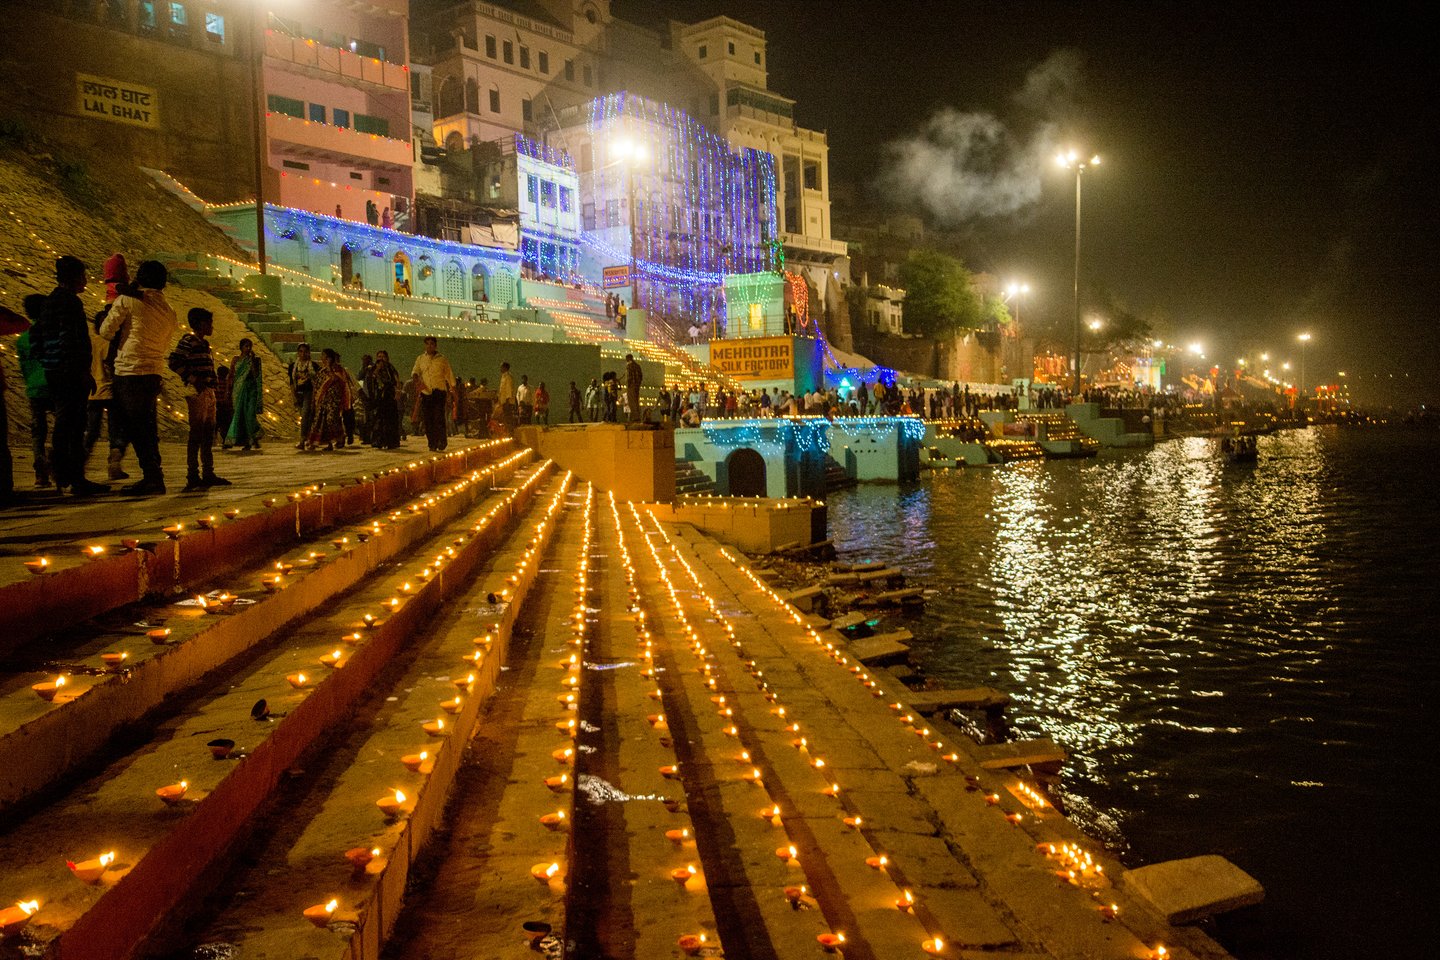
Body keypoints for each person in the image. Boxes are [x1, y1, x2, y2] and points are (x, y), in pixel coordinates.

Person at [99, 259, 177, 495]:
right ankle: (154, 474)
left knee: (136, 426)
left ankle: (152, 477)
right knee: (147, 425)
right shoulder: (169, 311)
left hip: (129, 371)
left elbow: (105, 330)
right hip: (153, 372)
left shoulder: (128, 301)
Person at [34, 257, 110, 496]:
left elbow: (39, 339)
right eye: (83, 276)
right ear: (74, 277)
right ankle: (74, 477)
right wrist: (80, 372)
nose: (86, 281)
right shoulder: (70, 303)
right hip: (70, 374)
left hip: (55, 372)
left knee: (64, 423)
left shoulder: (49, 302)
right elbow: (70, 340)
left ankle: (63, 474)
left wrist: (50, 364)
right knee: (74, 425)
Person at [168, 307, 229, 491]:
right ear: (201, 324)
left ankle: (208, 472)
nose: (211, 326)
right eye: (209, 323)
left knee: (208, 433)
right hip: (198, 393)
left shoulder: (203, 344)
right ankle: (193, 475)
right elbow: (174, 362)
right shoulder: (189, 341)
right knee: (197, 434)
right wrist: (194, 380)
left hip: (208, 392)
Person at [86, 253, 131, 480]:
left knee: (91, 430)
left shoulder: (91, 338)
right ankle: (114, 462)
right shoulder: (123, 296)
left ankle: (79, 464)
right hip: (113, 385)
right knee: (117, 428)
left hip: (92, 391)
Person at [16, 295, 52, 488]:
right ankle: (58, 463)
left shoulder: (22, 340)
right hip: (54, 386)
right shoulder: (50, 335)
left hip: (34, 389)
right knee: (66, 427)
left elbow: (24, 368)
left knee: (38, 433)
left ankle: (41, 473)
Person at [411, 336, 455, 451]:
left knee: (439, 417)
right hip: (426, 392)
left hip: (439, 391)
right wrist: (416, 380)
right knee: (428, 419)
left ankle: (442, 441)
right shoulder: (420, 359)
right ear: (425, 345)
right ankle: (432, 443)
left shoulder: (442, 359)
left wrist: (452, 391)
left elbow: (449, 375)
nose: (429, 346)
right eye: (427, 344)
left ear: (435, 346)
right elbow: (415, 372)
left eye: (432, 344)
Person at [305, 348, 350, 451]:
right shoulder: (322, 370)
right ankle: (325, 444)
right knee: (320, 422)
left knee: (331, 420)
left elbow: (340, 381)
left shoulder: (338, 369)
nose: (323, 359)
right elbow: (317, 385)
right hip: (322, 400)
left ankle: (340, 438)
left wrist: (330, 369)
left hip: (334, 400)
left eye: (324, 357)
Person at [227, 338, 263, 450]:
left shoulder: (253, 360)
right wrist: (228, 390)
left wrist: (252, 361)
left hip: (250, 389)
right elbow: (231, 375)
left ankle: (252, 438)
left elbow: (256, 374)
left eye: (250, 346)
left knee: (250, 415)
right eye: (246, 346)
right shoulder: (236, 359)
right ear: (241, 347)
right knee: (240, 415)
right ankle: (249, 439)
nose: (248, 349)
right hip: (238, 390)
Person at [288, 343, 320, 449]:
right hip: (298, 393)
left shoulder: (313, 366)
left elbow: (317, 381)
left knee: (306, 415)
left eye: (305, 352)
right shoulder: (293, 366)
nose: (303, 354)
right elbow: (291, 383)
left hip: (309, 393)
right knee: (305, 416)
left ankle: (303, 439)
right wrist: (294, 396)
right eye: (301, 351)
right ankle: (308, 438)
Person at [368, 349, 401, 449]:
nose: (381, 359)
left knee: (390, 420)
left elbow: (396, 380)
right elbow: (370, 381)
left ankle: (391, 441)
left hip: (389, 397)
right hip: (379, 398)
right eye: (379, 357)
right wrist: (377, 370)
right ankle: (378, 441)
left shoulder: (390, 368)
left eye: (383, 356)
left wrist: (397, 392)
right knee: (379, 420)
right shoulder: (373, 368)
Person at [215, 366, 233, 449]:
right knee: (226, 425)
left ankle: (213, 439)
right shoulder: (228, 383)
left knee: (217, 424)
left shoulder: (215, 383)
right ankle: (226, 441)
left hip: (218, 406)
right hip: (226, 407)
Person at [497, 361, 516, 435]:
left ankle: (510, 432)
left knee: (508, 417)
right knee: (505, 417)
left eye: (501, 367)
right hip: (504, 401)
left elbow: (508, 389)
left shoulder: (508, 377)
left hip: (507, 402)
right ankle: (508, 431)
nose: (500, 368)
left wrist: (507, 401)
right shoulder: (503, 376)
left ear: (505, 368)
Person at [624, 353, 643, 423]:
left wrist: (628, 384)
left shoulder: (629, 366)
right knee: (636, 401)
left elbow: (628, 377)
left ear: (628, 359)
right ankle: (637, 416)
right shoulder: (638, 366)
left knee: (632, 401)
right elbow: (641, 376)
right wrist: (638, 384)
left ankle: (635, 417)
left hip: (631, 386)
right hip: (637, 386)